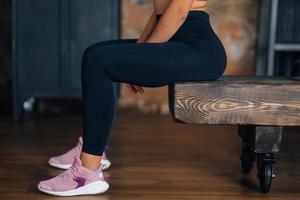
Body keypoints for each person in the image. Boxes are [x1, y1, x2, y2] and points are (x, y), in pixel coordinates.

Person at [37, 0, 227, 196]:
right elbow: (159, 12)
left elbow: (178, 11)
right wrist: (139, 51)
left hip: (199, 50)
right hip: (177, 40)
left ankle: (86, 172)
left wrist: (145, 55)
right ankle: (92, 148)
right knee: (94, 53)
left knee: (98, 61)